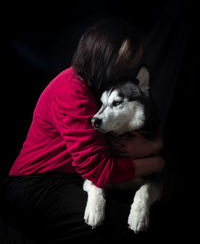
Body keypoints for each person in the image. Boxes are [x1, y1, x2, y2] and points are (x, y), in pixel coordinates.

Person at [0, 18, 165, 243]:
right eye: (122, 66)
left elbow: (139, 127)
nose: (124, 74)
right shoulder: (72, 91)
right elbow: (99, 171)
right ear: (104, 59)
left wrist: (154, 145)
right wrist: (158, 163)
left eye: (129, 67)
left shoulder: (95, 87)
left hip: (69, 180)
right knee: (120, 227)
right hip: (35, 185)